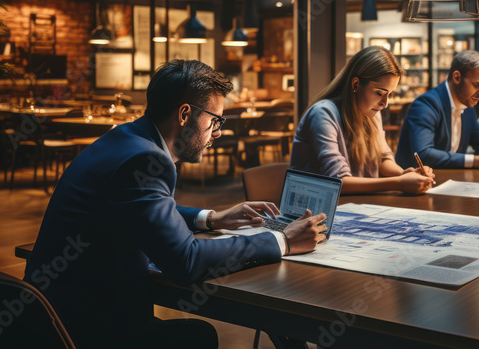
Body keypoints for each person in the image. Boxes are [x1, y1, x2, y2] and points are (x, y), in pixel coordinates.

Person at [25, 60, 327, 349]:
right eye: (215, 120)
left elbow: (139, 211)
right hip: (82, 330)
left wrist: (212, 219)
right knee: (198, 336)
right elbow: (186, 262)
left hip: (51, 312)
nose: (218, 133)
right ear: (185, 114)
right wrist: (282, 239)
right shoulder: (146, 159)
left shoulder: (126, 137)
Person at [291, 46, 435, 194]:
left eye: (389, 94)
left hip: (353, 205)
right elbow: (338, 181)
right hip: (310, 211)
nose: (385, 104)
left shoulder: (371, 113)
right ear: (355, 85)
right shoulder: (323, 113)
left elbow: (382, 159)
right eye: (379, 93)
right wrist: (399, 183)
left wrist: (404, 174)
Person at [396, 50, 479, 169]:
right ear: (457, 77)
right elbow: (424, 154)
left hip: (449, 179)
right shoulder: (426, 104)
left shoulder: (467, 103)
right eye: (477, 85)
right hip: (414, 183)